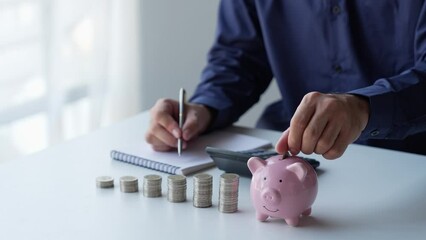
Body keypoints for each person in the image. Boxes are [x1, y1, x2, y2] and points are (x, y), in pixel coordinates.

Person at [145, 0, 426, 159]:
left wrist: (362, 108)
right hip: (295, 157)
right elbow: (239, 56)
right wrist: (203, 108)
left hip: (412, 159)